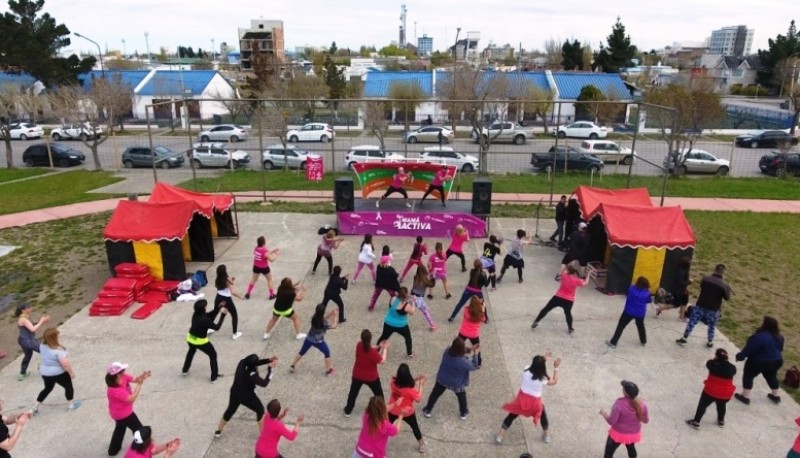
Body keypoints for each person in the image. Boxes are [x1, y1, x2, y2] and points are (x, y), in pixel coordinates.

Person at [495, 353, 561, 445]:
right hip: (534, 404)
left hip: (521, 401)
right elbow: (554, 381)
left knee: (511, 416)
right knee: (543, 414)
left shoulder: (526, 370)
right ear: (543, 367)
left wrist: (543, 358)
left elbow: (535, 366)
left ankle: (500, 435)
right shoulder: (543, 378)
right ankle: (546, 435)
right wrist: (556, 367)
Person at [215, 354, 278, 437]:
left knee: (230, 410)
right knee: (260, 410)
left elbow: (254, 362)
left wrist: (268, 360)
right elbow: (264, 383)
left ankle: (219, 430)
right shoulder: (252, 375)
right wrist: (270, 370)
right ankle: (263, 435)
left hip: (235, 392)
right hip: (246, 396)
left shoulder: (242, 362)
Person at [422, 337, 480, 420]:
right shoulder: (462, 362)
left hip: (442, 380)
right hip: (456, 383)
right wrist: (476, 353)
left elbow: (458, 350)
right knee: (461, 396)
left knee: (435, 394)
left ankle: (427, 410)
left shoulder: (447, 351)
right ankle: (463, 413)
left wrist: (470, 349)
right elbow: (474, 366)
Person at [676, 264, 732, 348]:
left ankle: (684, 338)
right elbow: (727, 298)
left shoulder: (705, 279)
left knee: (692, 322)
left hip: (701, 305)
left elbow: (701, 287)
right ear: (723, 272)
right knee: (711, 326)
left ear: (714, 269)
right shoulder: (725, 285)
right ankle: (710, 342)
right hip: (713, 308)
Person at [734, 315, 785, 405]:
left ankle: (745, 397)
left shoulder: (759, 337)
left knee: (749, 375)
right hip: (776, 361)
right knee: (771, 376)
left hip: (759, 362)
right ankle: (776, 396)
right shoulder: (780, 336)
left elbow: (749, 349)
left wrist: (740, 356)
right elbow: (780, 349)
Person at [532, 261, 593, 334]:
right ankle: (570, 328)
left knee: (546, 309)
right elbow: (586, 283)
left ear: (568, 270)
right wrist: (589, 274)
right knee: (568, 313)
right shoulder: (577, 281)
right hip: (569, 300)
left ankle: (536, 321)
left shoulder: (564, 275)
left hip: (558, 297)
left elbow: (565, 269)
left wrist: (570, 264)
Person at [31, 327, 81, 415]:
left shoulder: (42, 345)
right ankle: (71, 405)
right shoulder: (58, 350)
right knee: (68, 386)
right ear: (54, 338)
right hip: (58, 373)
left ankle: (35, 407)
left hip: (45, 373)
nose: (59, 336)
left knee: (47, 388)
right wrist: (71, 372)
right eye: (57, 335)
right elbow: (65, 364)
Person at [106, 362, 152, 456]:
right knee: (140, 431)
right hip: (123, 414)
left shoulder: (123, 377)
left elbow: (136, 379)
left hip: (118, 413)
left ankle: (113, 450)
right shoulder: (114, 390)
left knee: (120, 428)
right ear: (118, 374)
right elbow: (131, 399)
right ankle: (143, 450)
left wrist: (142, 376)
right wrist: (140, 385)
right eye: (122, 370)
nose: (124, 371)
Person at [686, 348, 736, 429]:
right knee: (722, 405)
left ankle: (696, 422)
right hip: (725, 394)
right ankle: (721, 421)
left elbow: (709, 362)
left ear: (716, 357)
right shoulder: (732, 368)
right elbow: (731, 368)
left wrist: (715, 359)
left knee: (702, 405)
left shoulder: (711, 364)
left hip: (711, 391)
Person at [344, 330, 389, 417]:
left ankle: (348, 410)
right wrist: (385, 349)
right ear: (370, 338)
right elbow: (382, 361)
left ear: (362, 338)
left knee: (353, 393)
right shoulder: (371, 352)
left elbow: (369, 347)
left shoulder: (359, 345)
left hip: (357, 374)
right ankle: (382, 409)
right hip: (371, 377)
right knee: (379, 395)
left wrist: (379, 346)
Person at [600, 380, 649, 458]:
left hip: (618, 434)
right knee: (631, 449)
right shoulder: (643, 404)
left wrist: (604, 413)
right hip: (633, 434)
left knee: (608, 453)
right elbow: (646, 421)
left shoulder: (619, 404)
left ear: (625, 392)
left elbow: (611, 421)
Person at [182, 299, 227, 382]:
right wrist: (223, 315)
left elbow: (210, 315)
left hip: (190, 338)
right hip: (200, 341)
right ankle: (214, 377)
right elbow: (217, 327)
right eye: (206, 305)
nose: (207, 306)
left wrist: (219, 307)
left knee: (191, 352)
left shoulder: (196, 314)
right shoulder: (204, 320)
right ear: (203, 308)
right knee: (213, 355)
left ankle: (184, 370)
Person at [290, 303, 339, 376]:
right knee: (327, 353)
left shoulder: (314, 317)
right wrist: (335, 316)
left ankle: (292, 365)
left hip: (309, 339)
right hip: (319, 342)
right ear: (322, 312)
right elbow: (334, 326)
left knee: (302, 352)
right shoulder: (324, 323)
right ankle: (329, 371)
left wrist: (331, 313)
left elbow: (324, 317)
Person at [388, 364, 427, 453]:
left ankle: (379, 440)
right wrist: (421, 385)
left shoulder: (393, 382)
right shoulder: (410, 391)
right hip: (406, 412)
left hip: (393, 409)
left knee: (385, 426)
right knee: (414, 427)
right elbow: (418, 399)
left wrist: (415, 380)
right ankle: (421, 444)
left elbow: (403, 382)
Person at [606, 277, 652, 349]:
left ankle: (613, 343)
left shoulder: (631, 288)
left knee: (621, 326)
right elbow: (649, 301)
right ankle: (643, 341)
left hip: (628, 311)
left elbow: (627, 295)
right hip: (640, 313)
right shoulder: (647, 293)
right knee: (640, 326)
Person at [376, 287, 416, 358]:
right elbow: (412, 311)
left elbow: (398, 300)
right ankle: (409, 353)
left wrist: (407, 296)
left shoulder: (392, 298)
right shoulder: (406, 305)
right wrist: (413, 302)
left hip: (388, 323)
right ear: (405, 295)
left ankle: (376, 350)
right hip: (401, 326)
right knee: (408, 337)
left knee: (383, 337)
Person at [15, 303, 50, 381]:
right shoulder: (23, 319)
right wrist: (41, 321)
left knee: (28, 355)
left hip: (23, 340)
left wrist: (42, 321)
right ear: (23, 310)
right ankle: (43, 368)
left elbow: (31, 324)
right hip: (28, 341)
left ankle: (22, 374)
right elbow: (33, 329)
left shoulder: (25, 317)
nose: (31, 308)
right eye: (29, 307)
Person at [214, 264, 244, 340]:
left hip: (218, 297)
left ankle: (209, 328)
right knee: (234, 315)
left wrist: (231, 280)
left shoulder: (217, 279)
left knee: (215, 312)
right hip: (227, 299)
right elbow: (233, 292)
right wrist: (240, 296)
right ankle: (235, 333)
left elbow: (226, 284)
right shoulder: (226, 280)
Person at [245, 236, 280, 300]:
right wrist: (276, 254)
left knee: (253, 280)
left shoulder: (256, 248)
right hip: (264, 268)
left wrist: (273, 251)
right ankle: (271, 295)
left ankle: (248, 293)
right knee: (269, 280)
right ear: (264, 242)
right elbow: (271, 259)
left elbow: (265, 254)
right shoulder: (264, 250)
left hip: (256, 267)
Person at [458, 296, 488, 367]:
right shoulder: (480, 313)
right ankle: (478, 362)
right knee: (477, 348)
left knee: (458, 345)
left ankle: (457, 357)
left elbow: (465, 316)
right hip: (474, 335)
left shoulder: (466, 309)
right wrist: (483, 309)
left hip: (463, 332)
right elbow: (484, 320)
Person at [410, 265, 437, 331]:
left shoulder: (415, 277)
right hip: (419, 298)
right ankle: (432, 324)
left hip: (412, 296)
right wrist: (433, 276)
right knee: (425, 311)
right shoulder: (425, 280)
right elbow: (432, 285)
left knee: (405, 308)